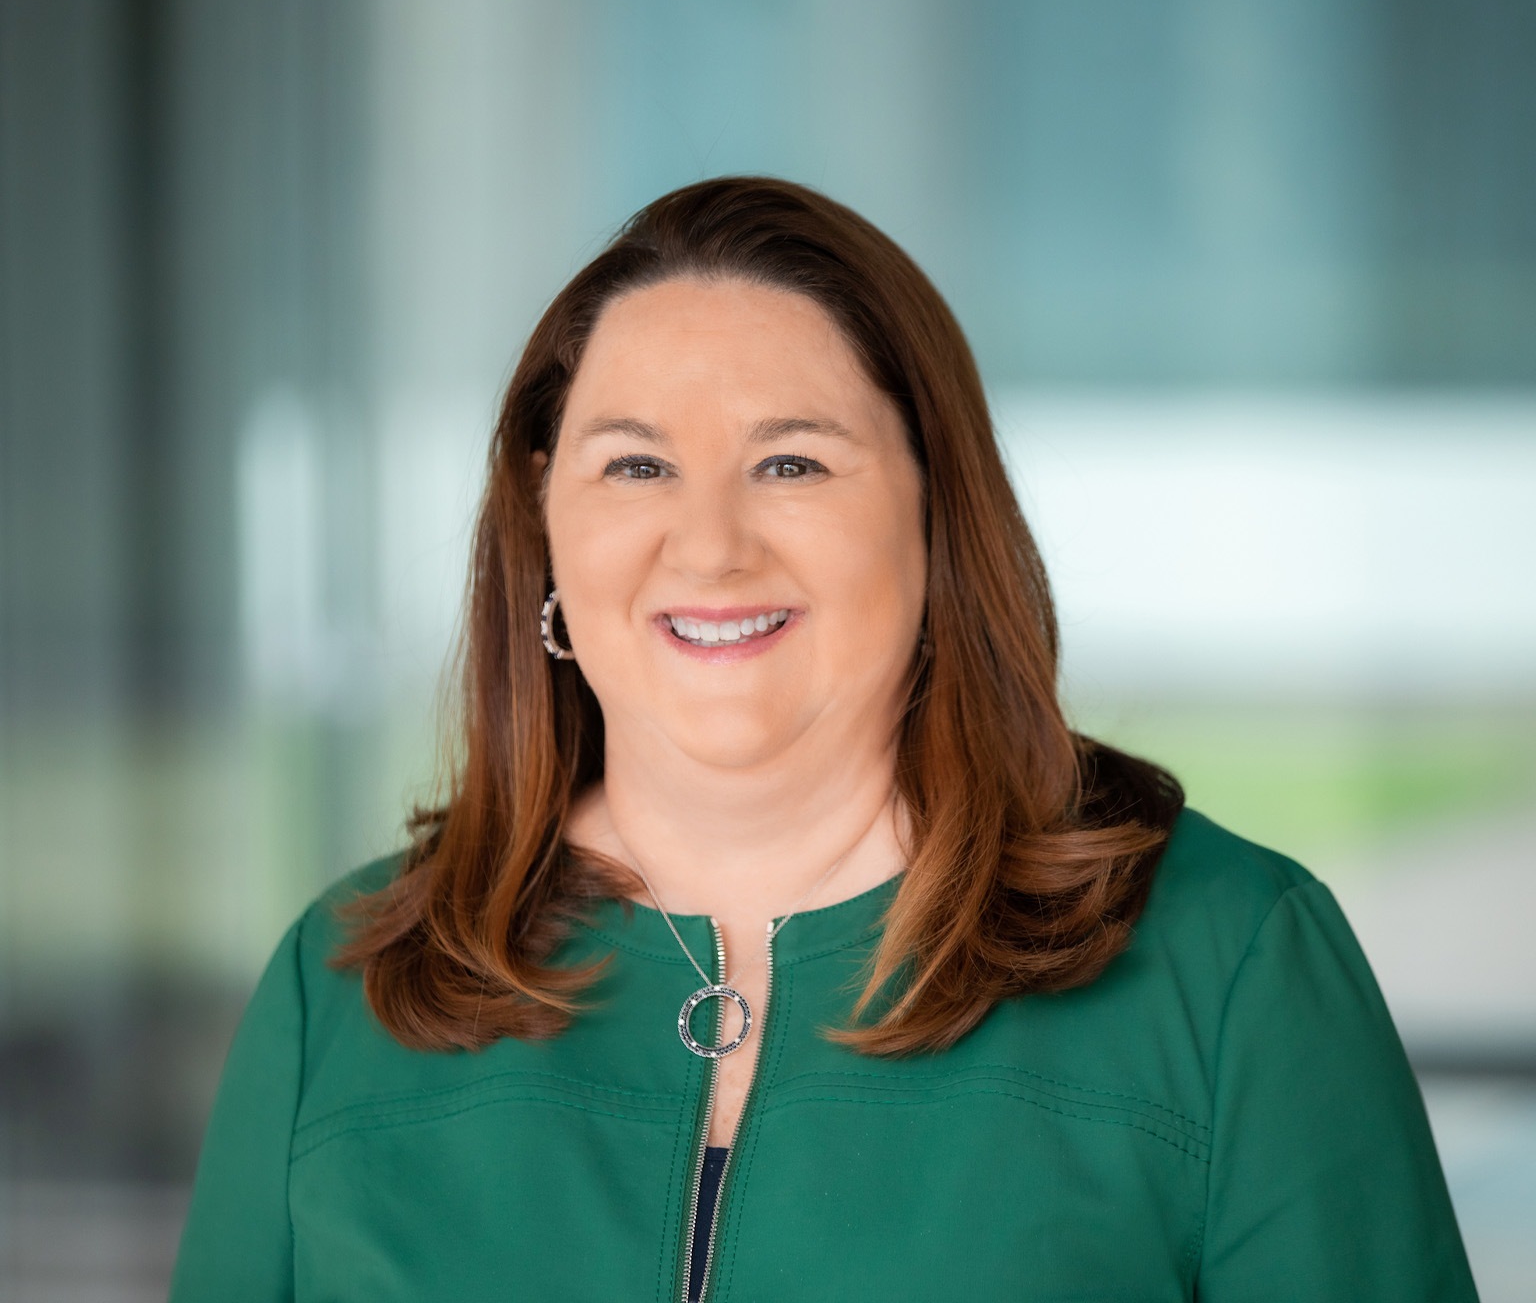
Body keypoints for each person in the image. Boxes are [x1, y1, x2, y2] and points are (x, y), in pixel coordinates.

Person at [169, 176, 1477, 1301]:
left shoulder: (1232, 969)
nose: (711, 548)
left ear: (936, 509)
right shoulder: (342, 995)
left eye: (792, 463)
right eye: (635, 466)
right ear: (543, 518)